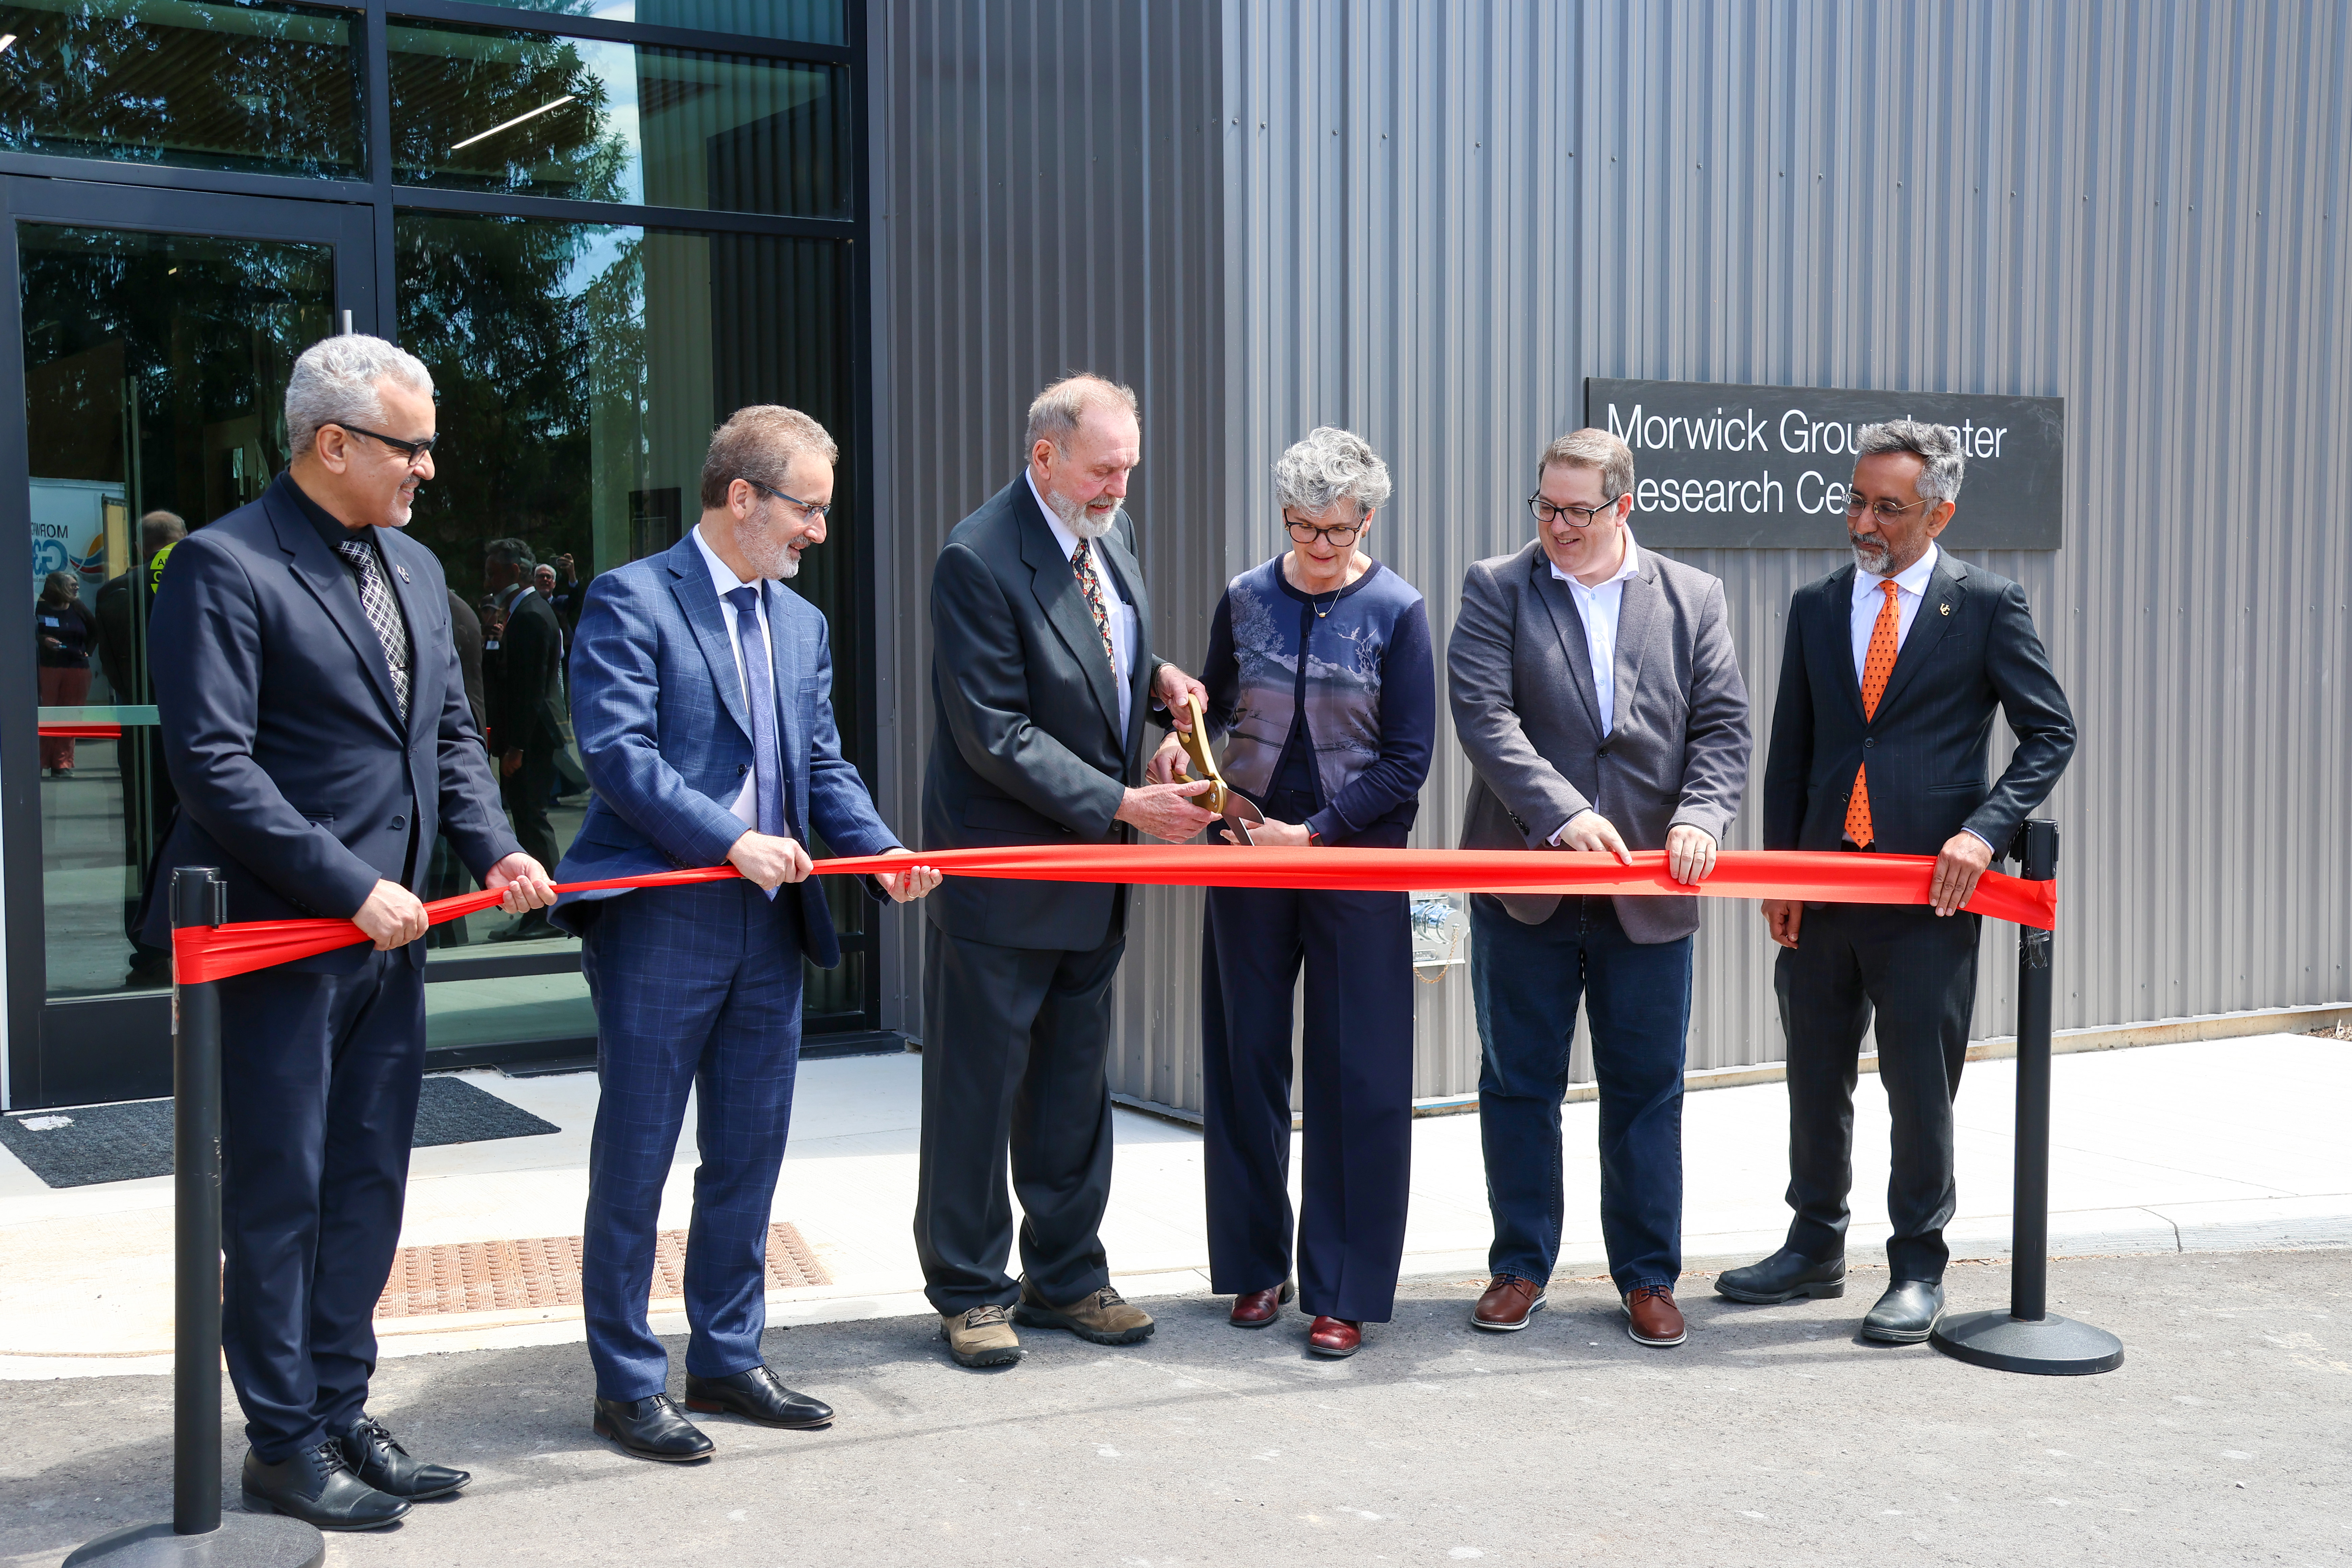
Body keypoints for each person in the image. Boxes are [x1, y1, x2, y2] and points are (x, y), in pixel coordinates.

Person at [143, 333, 557, 1529]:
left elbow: (448, 740)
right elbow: (213, 766)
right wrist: (342, 884)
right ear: (334, 444)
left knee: (368, 1182)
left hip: (393, 938)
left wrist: (497, 850)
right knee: (280, 1195)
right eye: (410, 446)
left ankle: (337, 1406)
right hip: (282, 939)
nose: (429, 468)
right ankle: (279, 1445)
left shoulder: (418, 571)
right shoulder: (223, 568)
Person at [553, 405, 940, 1463]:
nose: (818, 530)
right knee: (635, 1155)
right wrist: (732, 839)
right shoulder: (630, 600)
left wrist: (881, 851)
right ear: (742, 498)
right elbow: (623, 759)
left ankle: (726, 1358)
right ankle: (627, 1384)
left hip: (771, 923)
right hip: (661, 915)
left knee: (748, 1154)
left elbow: (820, 765)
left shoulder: (799, 624)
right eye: (806, 509)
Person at [1719, 419, 2075, 1343]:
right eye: (1856, 500)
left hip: (1929, 897)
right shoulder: (1815, 604)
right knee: (1813, 1075)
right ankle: (1813, 1247)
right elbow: (1791, 755)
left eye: (1889, 507)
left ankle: (1918, 1265)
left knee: (1920, 1086)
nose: (1864, 522)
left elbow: (2051, 733)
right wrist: (1782, 876)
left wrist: (1983, 832)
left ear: (1941, 511)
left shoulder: (1989, 604)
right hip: (1825, 883)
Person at [917, 372, 1215, 1369]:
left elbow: (1097, 648)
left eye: (1129, 466)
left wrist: (1159, 686)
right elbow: (995, 733)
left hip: (1093, 875)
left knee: (1073, 1089)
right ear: (1044, 456)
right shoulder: (976, 558)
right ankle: (968, 1288)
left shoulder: (1105, 530)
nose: (1119, 486)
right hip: (1007, 875)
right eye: (1103, 467)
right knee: (978, 1088)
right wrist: (1128, 803)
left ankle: (1069, 1275)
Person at [1447, 427, 1750, 1348]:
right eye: (1545, 507)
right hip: (1528, 884)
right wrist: (1561, 812)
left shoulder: (1693, 597)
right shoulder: (1497, 585)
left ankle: (1649, 1276)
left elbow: (1724, 729)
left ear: (1624, 505)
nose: (1558, 527)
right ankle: (1520, 1266)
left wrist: (1702, 816)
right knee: (1518, 1084)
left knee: (1648, 1089)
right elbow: (1483, 714)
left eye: (1578, 511)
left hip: (1650, 890)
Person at [1159, 427, 1433, 1358]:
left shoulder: (1399, 609)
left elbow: (1408, 763)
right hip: (1247, 848)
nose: (1320, 547)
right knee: (1245, 1056)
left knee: (1360, 1069)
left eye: (1338, 530)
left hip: (1353, 857)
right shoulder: (1244, 598)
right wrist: (1182, 747)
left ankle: (1345, 1289)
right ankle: (1253, 1264)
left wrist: (1313, 833)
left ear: (1370, 517)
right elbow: (1212, 706)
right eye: (1303, 527)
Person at [97, 510, 186, 984]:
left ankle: (148, 946)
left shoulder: (113, 595)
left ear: (139, 548)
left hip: (138, 737)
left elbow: (113, 672)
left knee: (142, 837)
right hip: (191, 734)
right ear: (182, 541)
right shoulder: (197, 583)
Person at [483, 538, 567, 940]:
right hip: (527, 735)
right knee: (529, 819)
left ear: (514, 571)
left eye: (495, 571)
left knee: (532, 820)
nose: (490, 580)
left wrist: (515, 746)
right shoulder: (524, 612)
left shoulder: (532, 614)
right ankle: (541, 910)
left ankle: (547, 912)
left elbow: (530, 689)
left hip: (531, 738)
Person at [35, 570, 98, 776]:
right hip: (49, 667)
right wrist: (44, 640)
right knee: (46, 714)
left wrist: (88, 650)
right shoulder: (41, 607)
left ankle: (62, 763)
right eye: (72, 585)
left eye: (76, 584)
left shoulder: (78, 607)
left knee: (70, 716)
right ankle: (41, 760)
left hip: (77, 668)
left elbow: (95, 630)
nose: (77, 588)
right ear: (57, 587)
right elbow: (33, 632)